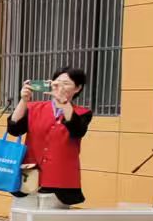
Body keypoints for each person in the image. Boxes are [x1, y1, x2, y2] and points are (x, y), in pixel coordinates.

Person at [8, 66, 91, 205]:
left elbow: (77, 130)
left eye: (66, 83)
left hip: (60, 180)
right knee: (23, 215)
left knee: (53, 218)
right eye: (57, 82)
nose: (60, 87)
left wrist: (64, 102)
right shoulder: (34, 107)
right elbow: (14, 129)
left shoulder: (82, 113)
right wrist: (24, 100)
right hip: (29, 176)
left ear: (77, 88)